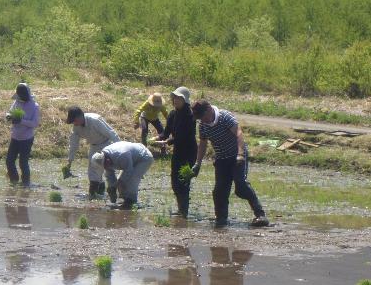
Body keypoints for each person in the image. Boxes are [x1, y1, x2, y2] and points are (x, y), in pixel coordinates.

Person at [190, 100, 269, 227]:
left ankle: (260, 215)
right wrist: (197, 163)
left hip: (237, 156)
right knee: (219, 191)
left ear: (209, 109)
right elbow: (203, 144)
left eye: (202, 116)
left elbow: (238, 133)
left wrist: (240, 154)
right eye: (199, 118)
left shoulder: (225, 117)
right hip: (221, 159)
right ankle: (221, 219)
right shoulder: (203, 126)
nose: (202, 120)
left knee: (241, 187)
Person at [152, 87, 197, 218]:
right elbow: (166, 132)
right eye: (174, 98)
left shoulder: (190, 115)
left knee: (184, 180)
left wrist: (167, 142)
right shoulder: (172, 114)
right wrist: (158, 138)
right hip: (178, 151)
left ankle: (184, 211)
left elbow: (183, 135)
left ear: (185, 100)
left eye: (178, 98)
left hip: (189, 152)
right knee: (174, 181)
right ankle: (180, 209)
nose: (175, 100)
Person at [65, 106, 121, 197]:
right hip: (93, 146)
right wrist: (69, 161)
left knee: (107, 169)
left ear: (80, 116)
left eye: (74, 121)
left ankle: (108, 192)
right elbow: (73, 144)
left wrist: (121, 147)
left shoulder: (95, 120)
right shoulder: (76, 127)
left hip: (106, 144)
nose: (74, 124)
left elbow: (111, 133)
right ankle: (95, 194)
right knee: (92, 171)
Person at [91, 141, 154, 210]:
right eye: (104, 166)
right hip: (130, 160)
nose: (106, 167)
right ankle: (124, 199)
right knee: (120, 181)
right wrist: (111, 187)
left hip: (144, 157)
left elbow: (128, 171)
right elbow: (110, 175)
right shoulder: (105, 158)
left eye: (105, 165)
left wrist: (118, 184)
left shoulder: (121, 155)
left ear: (107, 159)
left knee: (132, 179)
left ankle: (131, 201)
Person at [5, 82, 40, 186]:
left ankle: (26, 184)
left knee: (23, 163)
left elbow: (35, 123)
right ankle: (14, 181)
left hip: (26, 139)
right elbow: (9, 112)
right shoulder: (16, 102)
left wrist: (21, 121)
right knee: (9, 161)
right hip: (15, 137)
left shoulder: (34, 106)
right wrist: (9, 116)